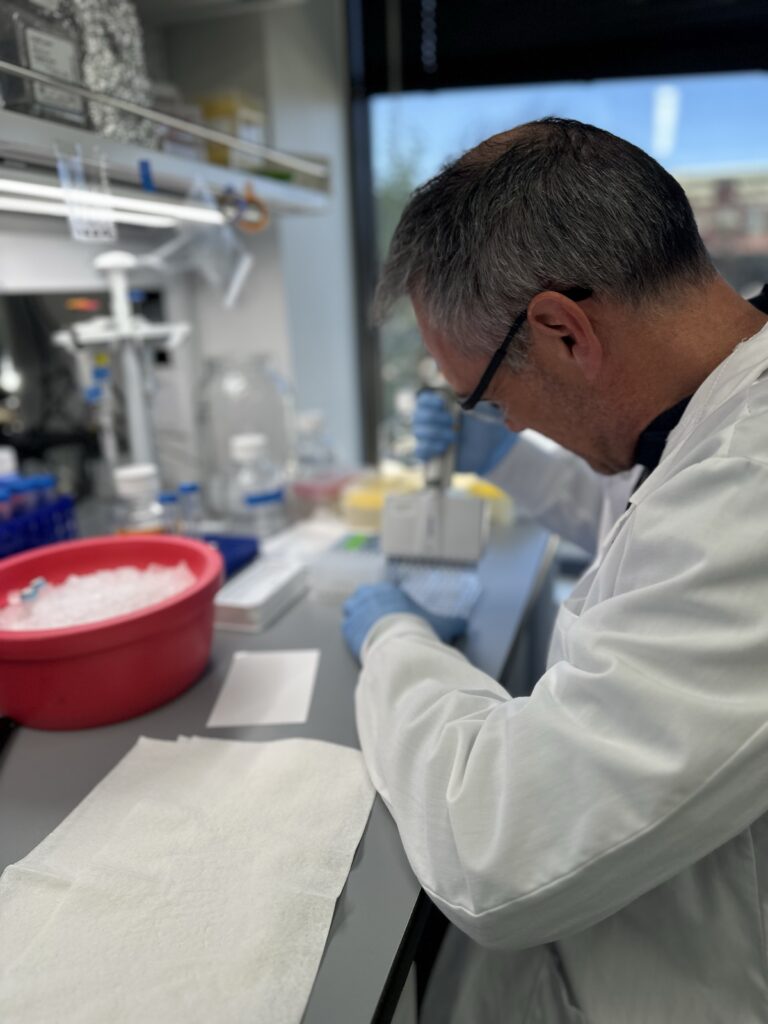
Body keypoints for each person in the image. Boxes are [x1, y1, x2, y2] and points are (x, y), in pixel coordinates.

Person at [341, 117, 768, 1022]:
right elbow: (651, 518)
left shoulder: (752, 489)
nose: (509, 421)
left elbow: (491, 846)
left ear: (564, 331)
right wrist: (512, 467)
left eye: (492, 398)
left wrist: (395, 643)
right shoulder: (719, 403)